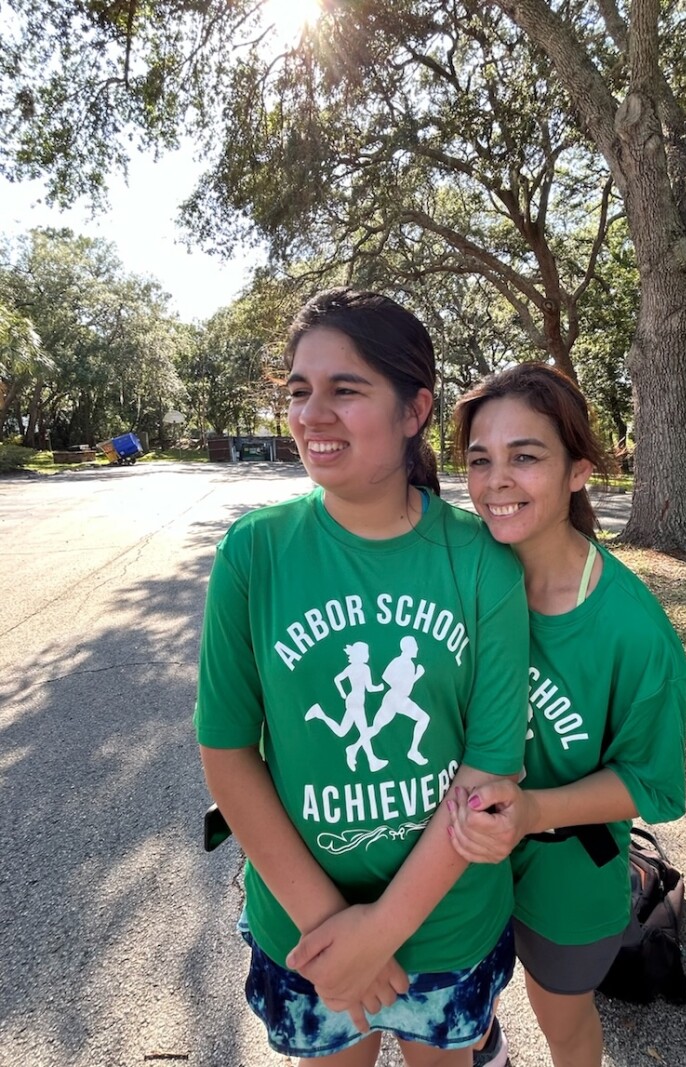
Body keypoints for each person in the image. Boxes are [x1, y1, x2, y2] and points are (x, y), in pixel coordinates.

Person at [193, 288, 531, 1067]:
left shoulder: (482, 563)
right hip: (304, 930)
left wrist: (381, 931)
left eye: (345, 389)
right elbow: (227, 749)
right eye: (299, 390)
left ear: (415, 410)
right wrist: (332, 927)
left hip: (448, 926)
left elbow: (487, 775)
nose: (313, 413)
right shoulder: (255, 553)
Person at [447, 363, 686, 1067]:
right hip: (456, 853)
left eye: (525, 456)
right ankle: (485, 1041)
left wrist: (532, 810)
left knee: (560, 1010)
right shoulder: (456, 571)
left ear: (579, 469)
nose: (496, 480)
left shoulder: (634, 631)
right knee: (464, 994)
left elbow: (652, 784)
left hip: (569, 867)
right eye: (480, 459)